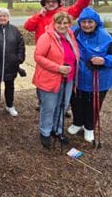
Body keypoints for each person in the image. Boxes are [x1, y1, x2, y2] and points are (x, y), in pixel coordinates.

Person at [70, 7, 112, 144]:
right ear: (80, 22)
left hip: (99, 78)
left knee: (93, 105)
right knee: (76, 102)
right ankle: (77, 122)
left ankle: (89, 127)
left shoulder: (106, 37)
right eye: (84, 22)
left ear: (96, 22)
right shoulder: (74, 33)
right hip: (78, 77)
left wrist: (104, 60)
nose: (86, 25)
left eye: (90, 22)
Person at [33, 12, 79, 148]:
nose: (62, 26)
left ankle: (57, 130)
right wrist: (58, 68)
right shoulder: (46, 37)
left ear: (69, 24)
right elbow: (38, 56)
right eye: (59, 23)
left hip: (68, 78)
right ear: (54, 23)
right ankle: (45, 132)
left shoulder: (70, 35)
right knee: (49, 107)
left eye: (65, 23)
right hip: (50, 78)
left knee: (62, 106)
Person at [0, 8, 25, 117]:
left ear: (8, 17)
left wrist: (19, 59)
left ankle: (10, 105)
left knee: (10, 86)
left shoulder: (15, 30)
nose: (2, 18)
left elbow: (20, 46)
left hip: (10, 65)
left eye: (5, 16)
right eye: (0, 16)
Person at [24, 0, 98, 41]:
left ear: (59, 3)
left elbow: (79, 7)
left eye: (53, 1)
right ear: (44, 4)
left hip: (62, 49)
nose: (51, 4)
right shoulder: (39, 16)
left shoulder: (65, 13)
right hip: (44, 51)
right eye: (48, 2)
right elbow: (28, 27)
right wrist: (39, 15)